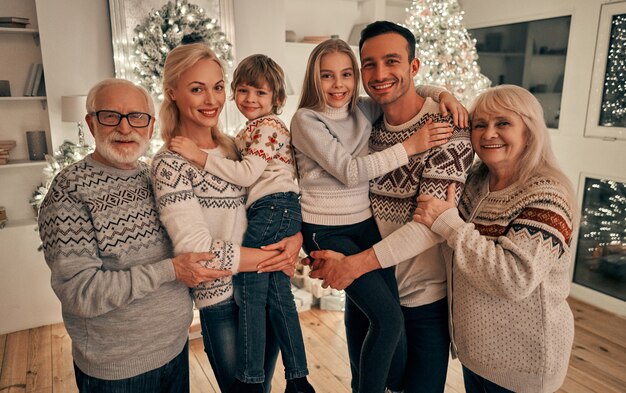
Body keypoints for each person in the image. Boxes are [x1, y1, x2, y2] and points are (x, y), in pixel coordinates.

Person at [307, 21, 474, 392]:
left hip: (424, 304)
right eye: (369, 64)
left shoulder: (448, 128)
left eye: (392, 61)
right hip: (369, 296)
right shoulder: (365, 121)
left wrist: (354, 264)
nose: (379, 74)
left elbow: (432, 224)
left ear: (414, 67)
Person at [37, 78, 232, 392]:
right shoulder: (69, 190)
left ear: (151, 126)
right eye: (111, 116)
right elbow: (79, 292)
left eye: (137, 117)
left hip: (175, 349)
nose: (125, 128)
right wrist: (171, 270)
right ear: (91, 123)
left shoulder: (158, 174)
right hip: (117, 369)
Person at [151, 43, 302, 393]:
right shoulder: (170, 162)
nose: (211, 99)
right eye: (196, 88)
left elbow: (277, 193)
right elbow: (199, 253)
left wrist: (296, 238)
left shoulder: (237, 149)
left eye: (217, 87)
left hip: (262, 292)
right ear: (172, 93)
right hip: (220, 300)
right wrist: (275, 258)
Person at [412, 85, 575, 393]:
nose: (488, 134)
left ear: (529, 130)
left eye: (503, 123)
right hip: (477, 356)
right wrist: (443, 94)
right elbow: (410, 87)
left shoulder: (547, 195)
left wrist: (450, 225)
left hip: (522, 364)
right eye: (480, 124)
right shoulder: (474, 180)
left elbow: (514, 278)